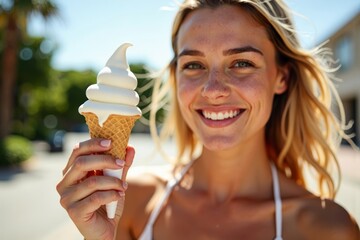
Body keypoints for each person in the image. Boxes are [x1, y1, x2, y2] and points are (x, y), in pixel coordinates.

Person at [56, 0, 360, 239]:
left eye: (241, 63)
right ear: (176, 78)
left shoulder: (327, 229)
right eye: (194, 64)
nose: (213, 90)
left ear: (281, 76)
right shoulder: (128, 200)